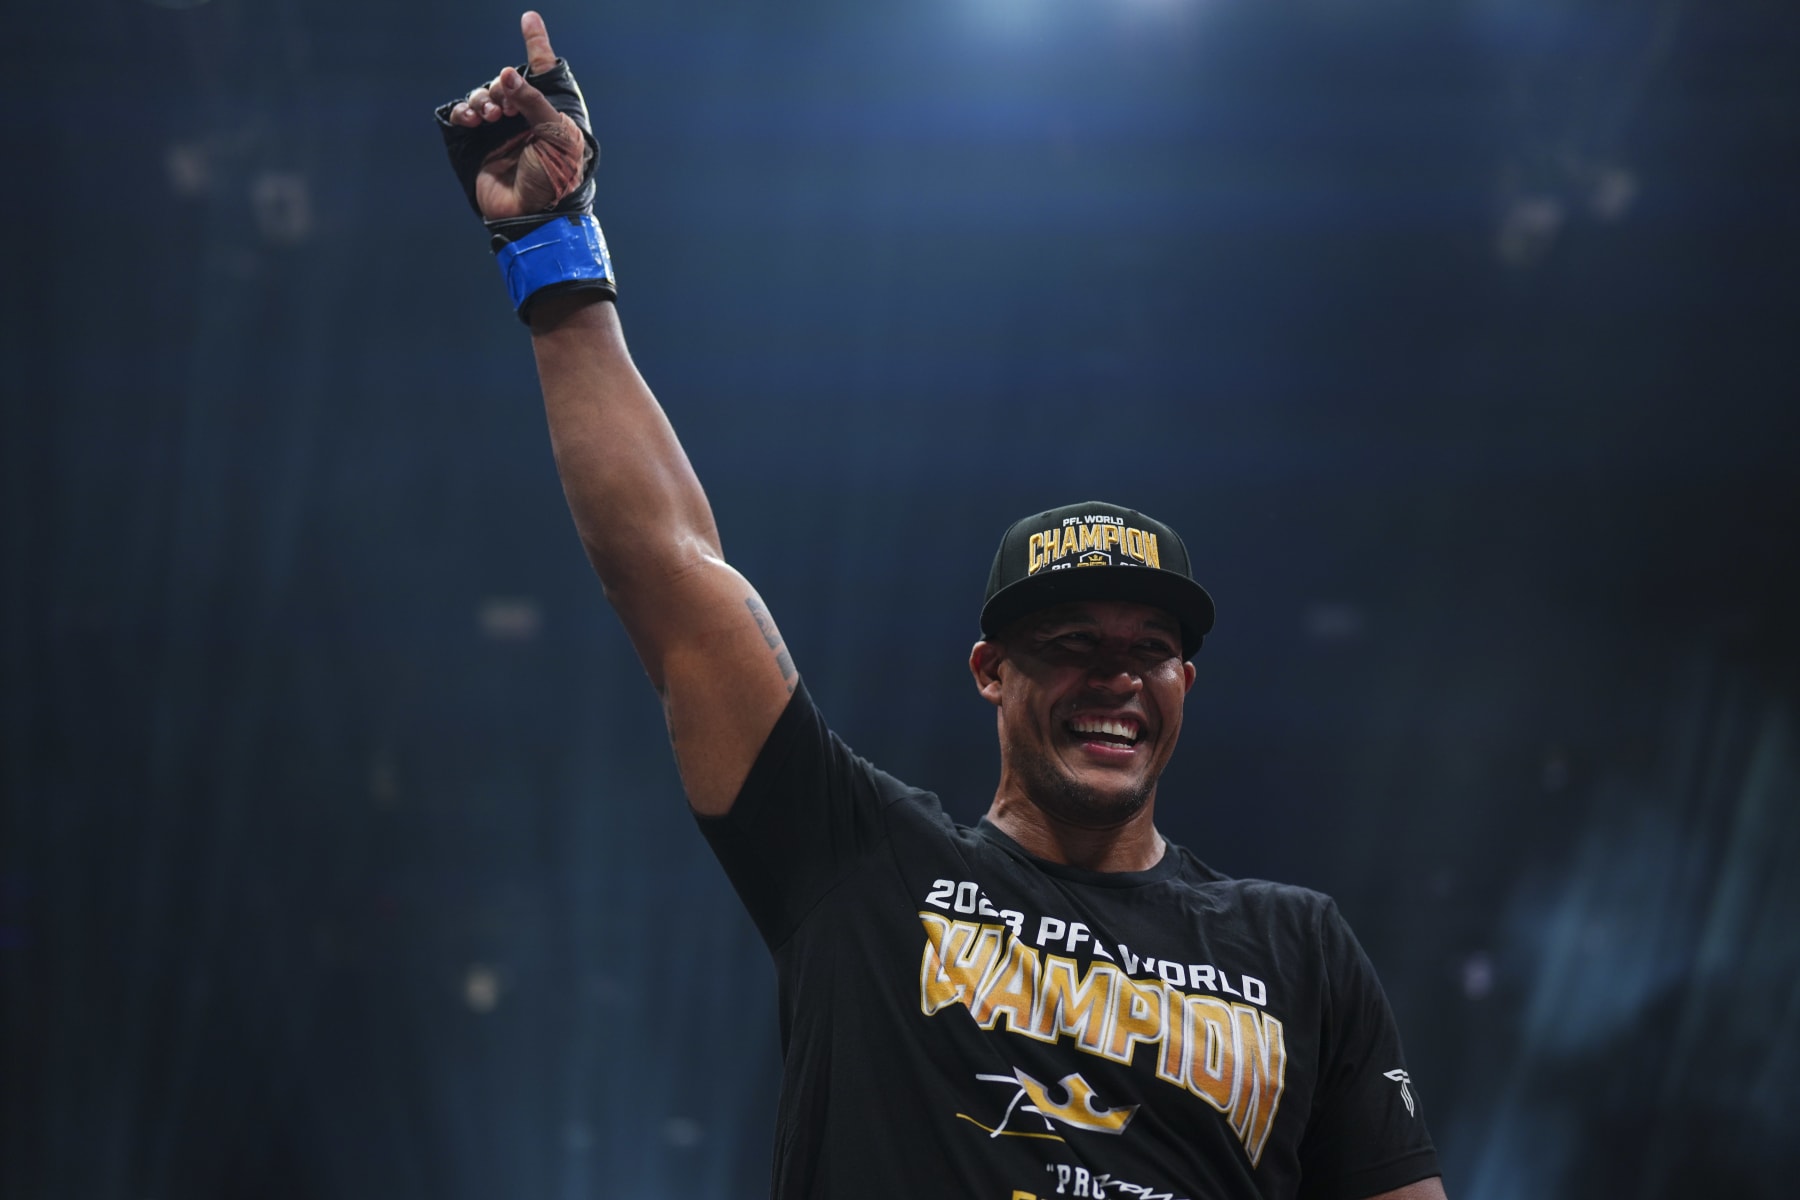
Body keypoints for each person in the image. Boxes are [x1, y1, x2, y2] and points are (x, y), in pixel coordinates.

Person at [438, 13, 1448, 1199]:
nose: (1116, 675)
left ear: (1188, 685)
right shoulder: (861, 866)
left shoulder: (1298, 950)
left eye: (1151, 651)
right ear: (990, 672)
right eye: (1072, 646)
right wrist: (555, 253)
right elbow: (674, 579)